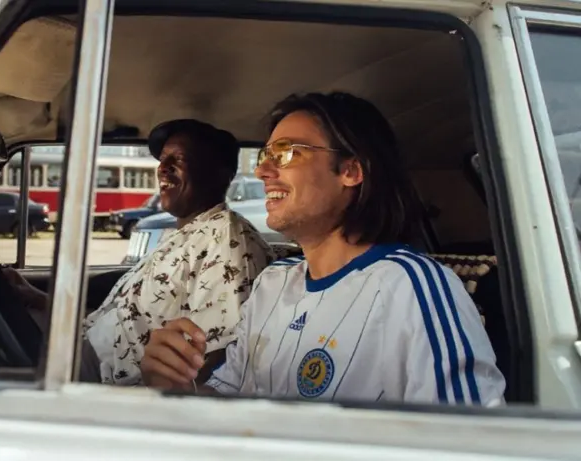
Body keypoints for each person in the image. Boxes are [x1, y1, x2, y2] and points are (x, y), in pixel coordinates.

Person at [140, 92, 506, 406]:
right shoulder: (273, 284)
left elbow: (472, 439)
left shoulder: (410, 285)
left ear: (351, 171)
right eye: (265, 155)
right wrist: (176, 385)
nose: (263, 171)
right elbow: (228, 395)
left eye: (285, 153)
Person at [5, 119, 276, 385]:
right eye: (163, 159)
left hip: (105, 383)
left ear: (219, 173)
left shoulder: (226, 238)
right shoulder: (184, 235)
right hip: (86, 352)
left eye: (179, 159)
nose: (163, 168)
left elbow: (213, 360)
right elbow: (124, 319)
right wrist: (38, 298)